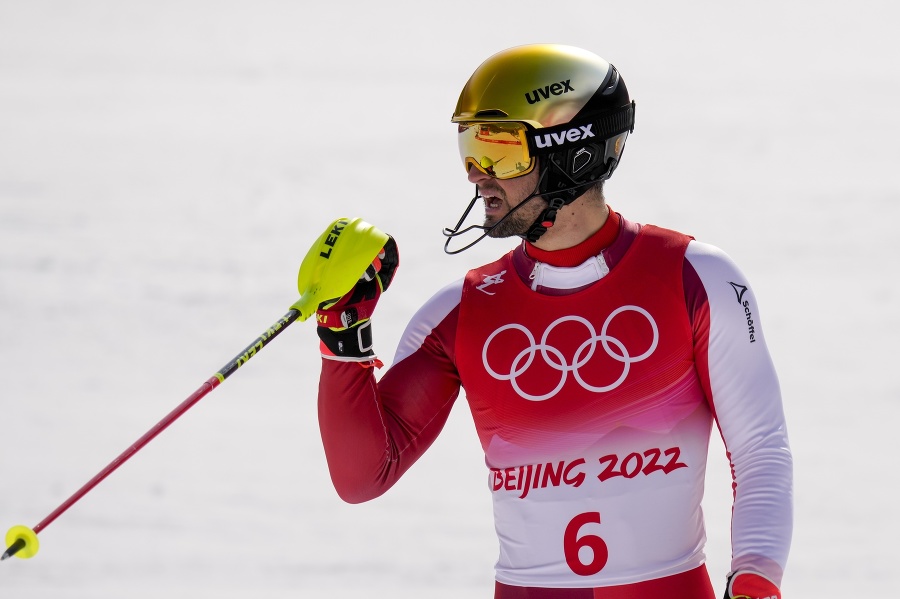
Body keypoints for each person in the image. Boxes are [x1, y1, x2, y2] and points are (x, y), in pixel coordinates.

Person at [308, 44, 793, 599]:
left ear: (575, 154)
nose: (476, 175)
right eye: (469, 149)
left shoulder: (695, 278)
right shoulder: (459, 312)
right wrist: (343, 338)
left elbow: (760, 449)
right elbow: (362, 477)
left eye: (500, 152)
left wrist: (755, 581)